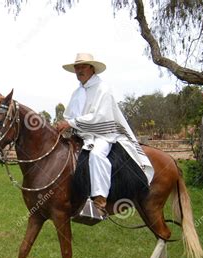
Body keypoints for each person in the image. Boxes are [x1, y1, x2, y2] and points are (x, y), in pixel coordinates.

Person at [56, 53, 154, 216]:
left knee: (96, 155)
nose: (79, 70)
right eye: (76, 67)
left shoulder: (103, 88)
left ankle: (100, 200)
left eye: (82, 66)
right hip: (83, 135)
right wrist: (63, 124)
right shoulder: (77, 93)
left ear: (91, 69)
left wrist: (71, 123)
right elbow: (69, 115)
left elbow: (100, 117)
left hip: (103, 134)